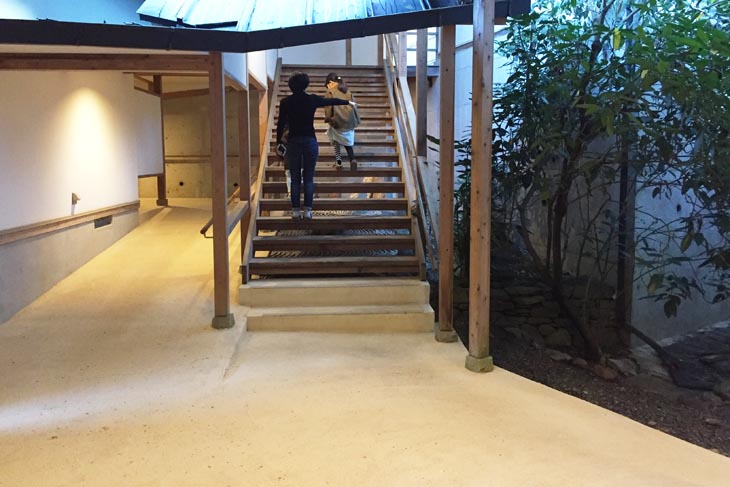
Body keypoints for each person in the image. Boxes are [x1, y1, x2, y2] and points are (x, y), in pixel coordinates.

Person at [276, 72, 356, 219]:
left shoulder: (285, 102)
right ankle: (307, 211)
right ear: (306, 84)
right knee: (308, 178)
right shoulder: (311, 99)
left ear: (291, 86)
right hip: (309, 141)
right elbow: (330, 102)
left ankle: (295, 211)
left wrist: (278, 143)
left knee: (294, 179)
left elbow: (280, 124)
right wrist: (347, 102)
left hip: (293, 142)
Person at [323, 72, 360, 171]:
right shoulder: (347, 90)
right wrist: (356, 120)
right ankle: (352, 159)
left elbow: (328, 106)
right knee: (348, 142)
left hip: (338, 121)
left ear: (330, 82)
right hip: (350, 122)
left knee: (334, 138)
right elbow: (354, 106)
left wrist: (328, 118)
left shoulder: (330, 91)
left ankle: (338, 161)